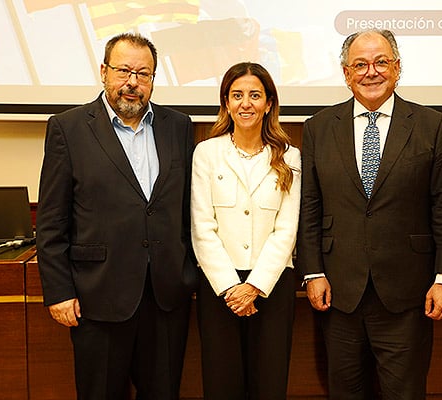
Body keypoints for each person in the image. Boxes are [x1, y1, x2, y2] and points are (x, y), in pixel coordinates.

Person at [297, 29, 442, 400]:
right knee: (344, 391)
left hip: (409, 293)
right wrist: (313, 271)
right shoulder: (318, 128)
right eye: (360, 64)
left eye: (381, 62)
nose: (371, 72)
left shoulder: (430, 125)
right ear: (346, 73)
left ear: (398, 67)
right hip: (338, 293)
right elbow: (310, 206)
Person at [36, 32, 197, 400]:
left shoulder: (178, 126)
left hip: (165, 297)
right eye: (124, 71)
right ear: (104, 71)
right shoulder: (68, 128)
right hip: (99, 297)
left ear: (153, 79)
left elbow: (187, 209)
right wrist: (58, 292)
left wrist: (186, 272)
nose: (132, 83)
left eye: (143, 74)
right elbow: (51, 220)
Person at [190, 62, 301, 400]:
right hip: (219, 287)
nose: (246, 103)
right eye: (237, 95)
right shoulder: (207, 153)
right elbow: (202, 226)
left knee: (269, 383)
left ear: (269, 103)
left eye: (255, 95)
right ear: (226, 103)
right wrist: (231, 288)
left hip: (271, 285)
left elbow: (287, 229)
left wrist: (254, 286)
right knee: (222, 383)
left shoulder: (290, 156)